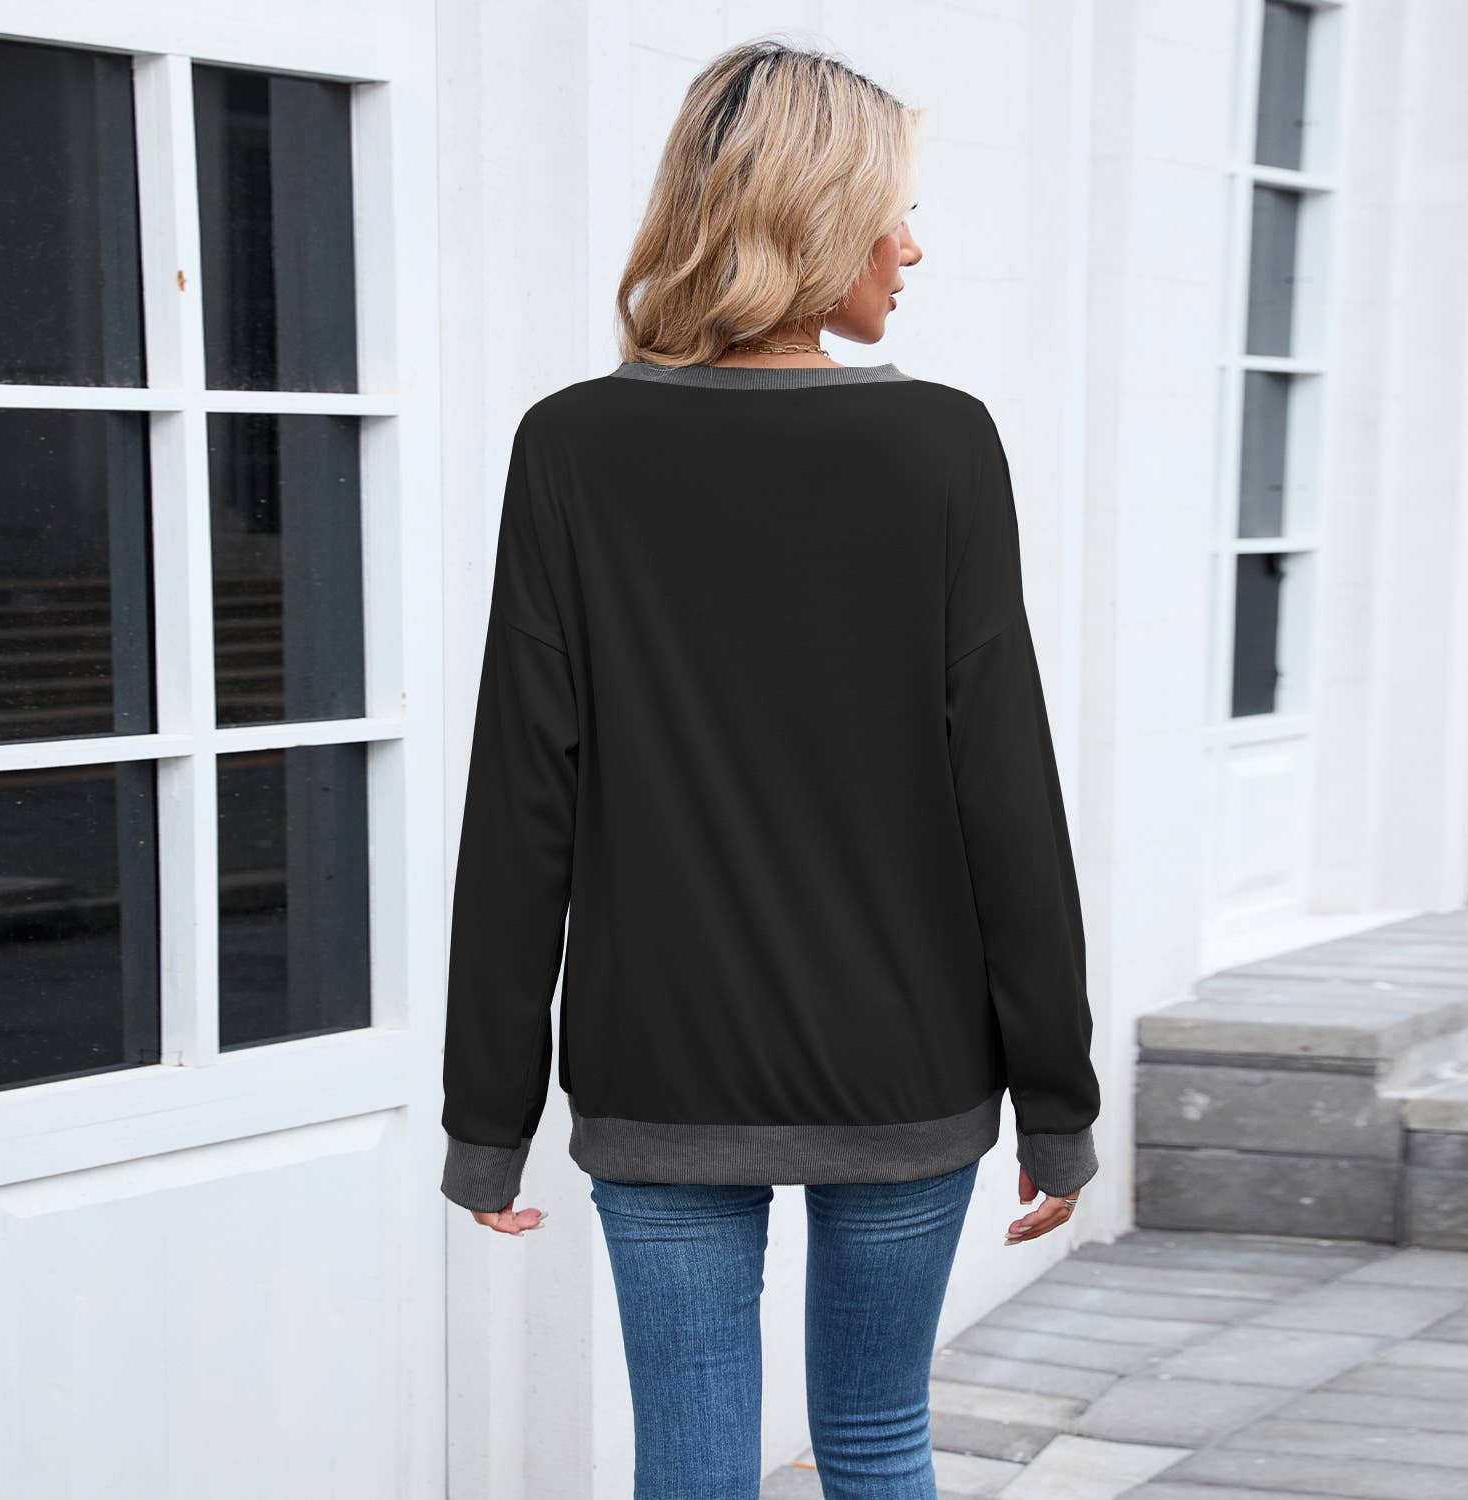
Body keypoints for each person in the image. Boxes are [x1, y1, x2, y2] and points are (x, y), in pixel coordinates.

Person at [440, 36, 1101, 1500]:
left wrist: (488, 1115)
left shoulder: (572, 447)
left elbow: (521, 802)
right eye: (895, 211)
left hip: (660, 1064)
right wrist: (1056, 1094)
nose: (913, 246)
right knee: (876, 1443)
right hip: (906, 1061)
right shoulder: (941, 447)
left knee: (691, 1470)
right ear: (819, 216)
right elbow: (1006, 787)